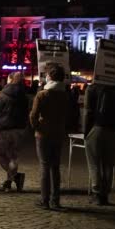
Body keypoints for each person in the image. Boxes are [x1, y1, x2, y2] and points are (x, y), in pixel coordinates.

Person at [29, 63, 69, 210]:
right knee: (55, 167)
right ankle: (55, 200)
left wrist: (37, 127)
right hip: (58, 133)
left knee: (45, 166)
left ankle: (44, 200)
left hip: (43, 134)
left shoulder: (42, 94)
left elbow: (33, 115)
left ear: (50, 77)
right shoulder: (65, 94)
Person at [82, 82, 115, 205]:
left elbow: (88, 111)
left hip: (96, 128)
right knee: (109, 164)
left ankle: (97, 193)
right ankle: (105, 195)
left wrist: (85, 132)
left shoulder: (92, 88)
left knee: (94, 163)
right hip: (113, 130)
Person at [0, 72, 28, 192]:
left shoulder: (4, 93)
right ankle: (12, 180)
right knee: (14, 156)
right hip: (19, 129)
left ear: (10, 79)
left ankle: (12, 178)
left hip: (5, 128)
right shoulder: (24, 95)